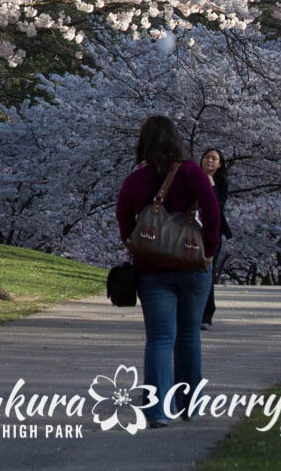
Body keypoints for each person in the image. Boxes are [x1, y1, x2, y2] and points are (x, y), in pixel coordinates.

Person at [116, 116, 222, 429]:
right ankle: (189, 405)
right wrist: (210, 249)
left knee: (160, 339)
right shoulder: (191, 171)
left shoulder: (136, 178)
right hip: (192, 265)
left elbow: (123, 214)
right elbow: (212, 210)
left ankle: (157, 410)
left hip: (152, 269)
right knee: (189, 336)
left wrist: (134, 244)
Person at [199, 147, 233, 329]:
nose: (209, 161)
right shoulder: (193, 177)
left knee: (207, 271)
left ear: (220, 164)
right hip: (191, 230)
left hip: (212, 233)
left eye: (214, 159)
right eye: (207, 157)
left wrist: (211, 184)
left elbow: (218, 206)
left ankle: (206, 314)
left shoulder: (221, 183)